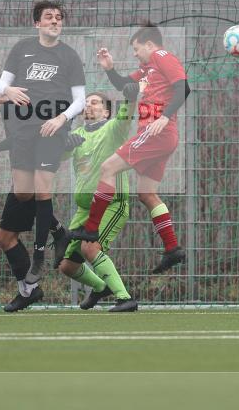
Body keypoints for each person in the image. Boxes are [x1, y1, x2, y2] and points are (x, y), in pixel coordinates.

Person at [68, 23, 189, 274]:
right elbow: (125, 86)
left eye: (136, 49)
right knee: (147, 193)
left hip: (157, 132)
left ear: (149, 44)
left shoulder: (162, 56)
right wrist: (110, 69)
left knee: (107, 167)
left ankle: (91, 228)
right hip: (159, 135)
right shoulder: (146, 69)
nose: (135, 54)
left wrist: (165, 116)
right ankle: (172, 248)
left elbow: (183, 88)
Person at [0, 0, 87, 296]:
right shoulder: (22, 48)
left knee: (43, 188)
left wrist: (61, 119)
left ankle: (38, 258)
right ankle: (60, 231)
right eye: (49, 17)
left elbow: (80, 101)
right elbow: (0, 87)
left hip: (52, 129)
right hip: (23, 129)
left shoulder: (70, 56)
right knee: (24, 192)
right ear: (37, 23)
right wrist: (7, 91)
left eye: (59, 17)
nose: (54, 21)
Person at [0, 76, 85, 312]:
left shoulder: (19, 107)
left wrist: (63, 139)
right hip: (24, 180)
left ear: (2, 93)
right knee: (5, 238)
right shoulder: (10, 113)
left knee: (9, 229)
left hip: (28, 179)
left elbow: (45, 126)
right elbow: (19, 139)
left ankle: (30, 287)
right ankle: (32, 284)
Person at [58, 90, 140, 312]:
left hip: (111, 203)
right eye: (86, 103)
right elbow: (59, 159)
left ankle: (125, 298)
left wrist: (131, 95)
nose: (89, 106)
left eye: (95, 103)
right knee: (67, 266)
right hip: (85, 209)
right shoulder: (77, 134)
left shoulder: (113, 129)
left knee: (90, 248)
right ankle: (101, 286)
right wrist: (63, 145)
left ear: (105, 111)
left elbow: (125, 115)